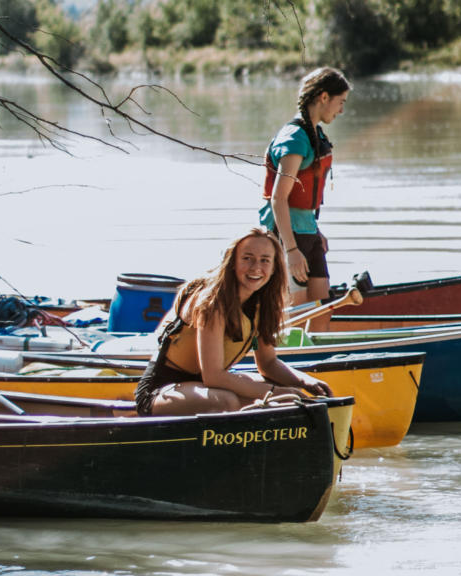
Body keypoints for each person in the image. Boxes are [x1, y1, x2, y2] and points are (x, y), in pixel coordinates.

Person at [135, 228, 333, 416]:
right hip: (162, 388)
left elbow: (268, 363)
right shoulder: (212, 303)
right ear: (232, 262)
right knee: (227, 401)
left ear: (274, 268)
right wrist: (274, 392)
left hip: (205, 387)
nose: (256, 268)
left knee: (287, 397)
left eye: (265, 260)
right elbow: (213, 376)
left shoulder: (262, 304)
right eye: (247, 259)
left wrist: (305, 381)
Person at [259, 66, 351, 331]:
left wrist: (315, 230)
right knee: (296, 311)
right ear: (324, 97)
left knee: (322, 305)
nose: (341, 110)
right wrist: (290, 251)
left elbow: (304, 199)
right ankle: (286, 363)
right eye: (340, 102)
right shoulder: (295, 138)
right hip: (287, 236)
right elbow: (279, 198)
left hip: (306, 231)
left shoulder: (315, 134)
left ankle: (315, 358)